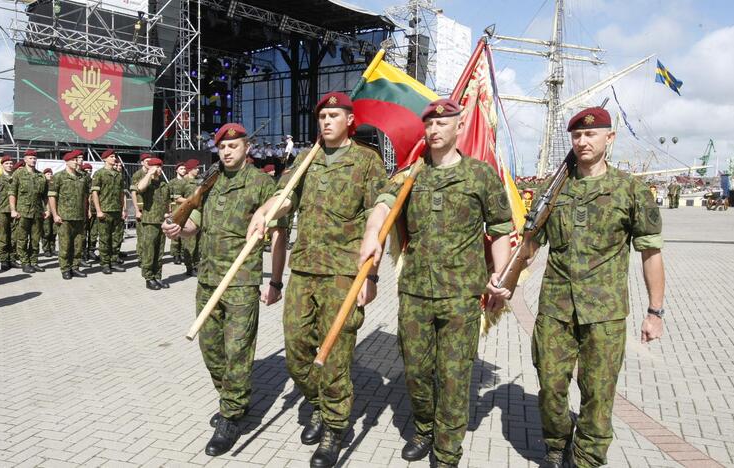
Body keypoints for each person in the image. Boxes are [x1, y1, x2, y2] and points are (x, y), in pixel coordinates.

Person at [358, 99, 514, 467]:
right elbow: (382, 204)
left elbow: (501, 229)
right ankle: (424, 427)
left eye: (443, 123)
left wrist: (500, 274)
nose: (434, 129)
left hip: (461, 294)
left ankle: (447, 450)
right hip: (415, 292)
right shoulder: (411, 174)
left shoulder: (480, 175)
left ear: (459, 127)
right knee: (415, 369)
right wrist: (371, 234)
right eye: (429, 123)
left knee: (455, 375)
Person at [247, 91, 388, 468]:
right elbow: (285, 196)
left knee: (336, 355)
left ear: (349, 120)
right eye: (322, 116)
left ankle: (334, 427)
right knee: (296, 353)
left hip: (344, 274)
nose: (326, 121)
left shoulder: (367, 161)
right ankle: (316, 403)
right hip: (305, 269)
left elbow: (381, 218)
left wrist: (371, 275)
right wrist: (265, 211)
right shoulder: (306, 158)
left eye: (333, 115)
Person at [529, 107, 665, 468]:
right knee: (551, 386)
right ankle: (557, 442)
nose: (583, 141)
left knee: (598, 394)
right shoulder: (553, 190)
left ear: (610, 138)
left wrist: (655, 311)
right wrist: (504, 276)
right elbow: (530, 243)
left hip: (604, 315)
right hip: (555, 310)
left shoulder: (631, 191)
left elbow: (650, 253)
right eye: (576, 136)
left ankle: (588, 456)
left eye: (591, 134)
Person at [162, 123, 288, 457]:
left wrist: (275, 282)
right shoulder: (212, 182)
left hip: (241, 282)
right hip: (207, 279)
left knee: (238, 351)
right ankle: (231, 396)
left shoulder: (262, 184)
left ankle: (232, 414)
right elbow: (196, 224)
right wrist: (179, 229)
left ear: (248, 148)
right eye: (222, 147)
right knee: (211, 349)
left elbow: (278, 234)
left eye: (234, 146)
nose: (227, 151)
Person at [48, 150, 90, 280]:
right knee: (65, 244)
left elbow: (86, 197)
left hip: (79, 216)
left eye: (77, 159)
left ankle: (75, 267)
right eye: (73, 160)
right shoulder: (59, 177)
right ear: (67, 161)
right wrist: (55, 214)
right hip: (64, 217)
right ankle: (65, 268)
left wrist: (87, 211)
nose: (76, 162)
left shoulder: (82, 177)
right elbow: (52, 197)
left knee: (78, 245)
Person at [10, 149, 48, 274]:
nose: (33, 160)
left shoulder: (41, 176)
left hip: (37, 212)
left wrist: (47, 209)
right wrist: (13, 210)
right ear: (25, 159)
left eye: (34, 158)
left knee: (35, 239)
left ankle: (34, 262)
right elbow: (12, 193)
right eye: (30, 158)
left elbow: (45, 195)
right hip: (23, 212)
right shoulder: (18, 174)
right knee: (22, 239)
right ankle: (25, 263)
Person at [136, 157, 170, 290]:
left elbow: (167, 203)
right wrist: (149, 173)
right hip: (150, 221)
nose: (159, 169)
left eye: (161, 167)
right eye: (157, 167)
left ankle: (157, 276)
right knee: (149, 251)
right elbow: (139, 188)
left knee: (159, 252)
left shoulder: (164, 184)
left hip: (162, 222)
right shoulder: (147, 182)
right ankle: (148, 277)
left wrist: (168, 215)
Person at [90, 149, 127, 274]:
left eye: (114, 156)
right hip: (105, 211)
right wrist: (98, 210)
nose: (114, 158)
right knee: (105, 239)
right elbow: (95, 193)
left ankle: (114, 261)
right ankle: (105, 263)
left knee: (116, 238)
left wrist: (123, 209)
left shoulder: (118, 175)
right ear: (104, 159)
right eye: (111, 156)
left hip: (116, 210)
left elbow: (122, 194)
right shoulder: (99, 174)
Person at [168, 159, 201, 274]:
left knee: (198, 243)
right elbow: (176, 198)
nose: (198, 170)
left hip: (199, 215)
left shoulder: (199, 182)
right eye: (196, 168)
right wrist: (191, 201)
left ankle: (197, 265)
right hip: (188, 215)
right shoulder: (182, 182)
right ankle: (190, 267)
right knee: (189, 243)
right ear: (190, 169)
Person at [130, 153, 152, 262]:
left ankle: (148, 256)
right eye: (147, 161)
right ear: (142, 162)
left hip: (152, 208)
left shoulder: (154, 174)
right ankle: (140, 257)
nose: (149, 163)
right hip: (141, 207)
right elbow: (134, 193)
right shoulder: (137, 175)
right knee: (141, 234)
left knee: (150, 235)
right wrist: (136, 210)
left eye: (150, 161)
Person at [113, 160, 128, 262]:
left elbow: (123, 195)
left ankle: (116, 252)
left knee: (119, 233)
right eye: (116, 165)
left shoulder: (121, 178)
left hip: (119, 209)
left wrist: (124, 209)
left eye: (120, 165)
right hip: (110, 209)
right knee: (111, 234)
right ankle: (111, 255)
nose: (119, 167)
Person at [41, 168, 57, 256]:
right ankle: (46, 249)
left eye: (51, 174)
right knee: (46, 231)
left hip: (54, 210)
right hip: (45, 210)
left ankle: (52, 248)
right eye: (47, 174)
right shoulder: (42, 185)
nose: (49, 175)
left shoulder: (54, 184)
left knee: (54, 231)